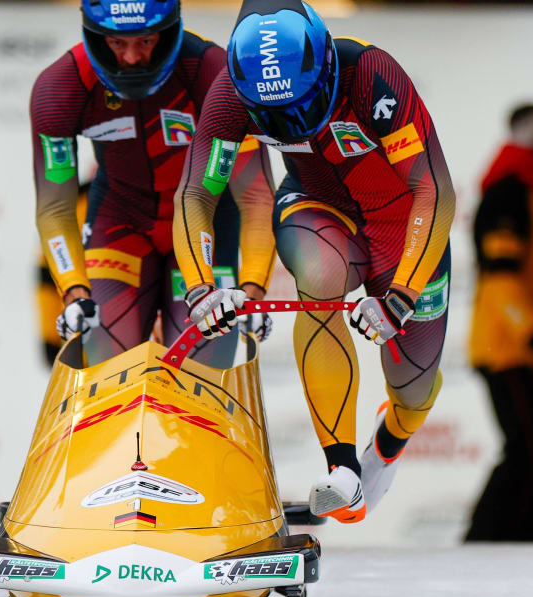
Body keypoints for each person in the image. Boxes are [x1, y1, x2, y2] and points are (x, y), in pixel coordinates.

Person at [173, 0, 454, 523]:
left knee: (413, 390)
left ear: (325, 65)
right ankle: (343, 470)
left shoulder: (372, 75)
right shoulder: (231, 96)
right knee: (319, 274)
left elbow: (433, 191)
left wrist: (402, 296)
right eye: (275, 116)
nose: (292, 123)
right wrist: (200, 288)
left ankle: (386, 446)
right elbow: (195, 196)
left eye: (302, 104)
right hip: (317, 204)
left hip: (402, 221)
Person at [31, 0, 276, 367]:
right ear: (96, 36)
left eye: (145, 41)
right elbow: (55, 206)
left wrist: (252, 288)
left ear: (168, 31)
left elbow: (256, 195)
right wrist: (74, 291)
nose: (131, 58)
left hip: (204, 224)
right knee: (107, 366)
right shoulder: (60, 88)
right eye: (117, 43)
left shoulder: (213, 73)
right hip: (120, 222)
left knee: (200, 375)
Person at [464, 104, 533, 542]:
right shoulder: (510, 190)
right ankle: (493, 543)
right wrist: (531, 330)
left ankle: (521, 542)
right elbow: (500, 273)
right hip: (510, 347)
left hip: (528, 348)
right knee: (531, 452)